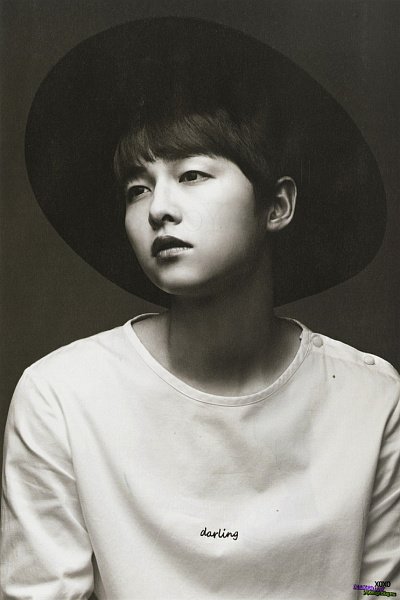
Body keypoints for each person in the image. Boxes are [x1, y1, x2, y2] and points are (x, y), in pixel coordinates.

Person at [1, 17, 399, 600]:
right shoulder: (61, 396)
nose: (158, 208)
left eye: (191, 174)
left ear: (277, 206)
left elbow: (380, 591)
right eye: (137, 188)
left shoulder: (372, 398)